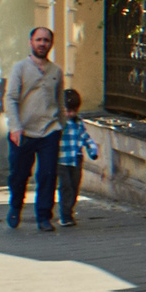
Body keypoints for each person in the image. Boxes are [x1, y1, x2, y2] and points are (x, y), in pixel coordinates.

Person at [2, 26, 63, 230]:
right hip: (24, 132)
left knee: (47, 174)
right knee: (18, 175)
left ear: (50, 44)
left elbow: (59, 100)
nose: (42, 44)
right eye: (38, 40)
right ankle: (15, 207)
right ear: (31, 42)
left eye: (46, 40)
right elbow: (10, 98)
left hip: (49, 131)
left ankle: (44, 217)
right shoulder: (20, 68)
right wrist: (15, 127)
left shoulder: (56, 71)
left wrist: (60, 126)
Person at [56, 90, 100, 228]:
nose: (70, 114)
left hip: (76, 159)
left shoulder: (79, 123)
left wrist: (93, 150)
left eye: (73, 111)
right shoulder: (58, 124)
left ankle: (69, 211)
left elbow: (85, 137)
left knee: (74, 186)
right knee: (66, 187)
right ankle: (65, 215)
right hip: (61, 160)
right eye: (67, 111)